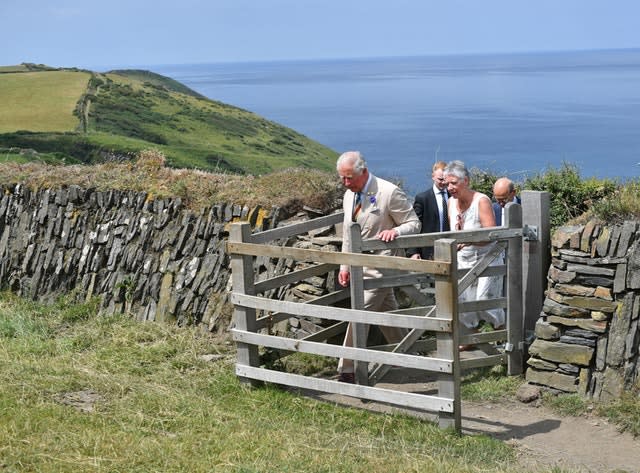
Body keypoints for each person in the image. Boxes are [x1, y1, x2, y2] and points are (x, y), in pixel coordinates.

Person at [336, 151, 420, 383]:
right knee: (387, 312)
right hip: (358, 265)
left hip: (383, 264)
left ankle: (347, 369)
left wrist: (396, 231)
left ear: (363, 171)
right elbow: (347, 233)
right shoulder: (348, 195)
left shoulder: (388, 192)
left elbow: (414, 223)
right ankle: (409, 356)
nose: (345, 183)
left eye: (349, 178)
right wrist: (344, 265)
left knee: (359, 313)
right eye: (342, 178)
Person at [444, 160, 505, 341]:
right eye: (447, 183)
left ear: (466, 181)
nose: (450, 187)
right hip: (463, 260)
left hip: (487, 259)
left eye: (454, 182)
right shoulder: (450, 203)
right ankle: (471, 339)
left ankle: (503, 335)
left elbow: (490, 233)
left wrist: (468, 241)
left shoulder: (481, 201)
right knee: (463, 302)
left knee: (485, 301)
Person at [407, 160, 450, 260]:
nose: (443, 182)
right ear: (433, 176)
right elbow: (415, 225)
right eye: (440, 179)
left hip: (451, 248)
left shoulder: (454, 197)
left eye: (445, 179)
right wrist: (413, 251)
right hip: (429, 250)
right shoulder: (422, 199)